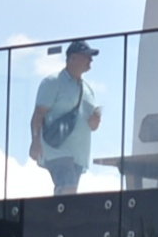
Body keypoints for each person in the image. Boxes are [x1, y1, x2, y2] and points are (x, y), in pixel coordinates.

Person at [29, 40, 103, 195]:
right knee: (67, 188)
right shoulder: (53, 82)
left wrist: (95, 121)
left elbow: (92, 125)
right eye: (87, 56)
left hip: (78, 155)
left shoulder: (88, 89)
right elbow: (38, 114)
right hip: (57, 151)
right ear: (73, 58)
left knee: (69, 193)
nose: (91, 60)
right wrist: (35, 141)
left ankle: (58, 210)